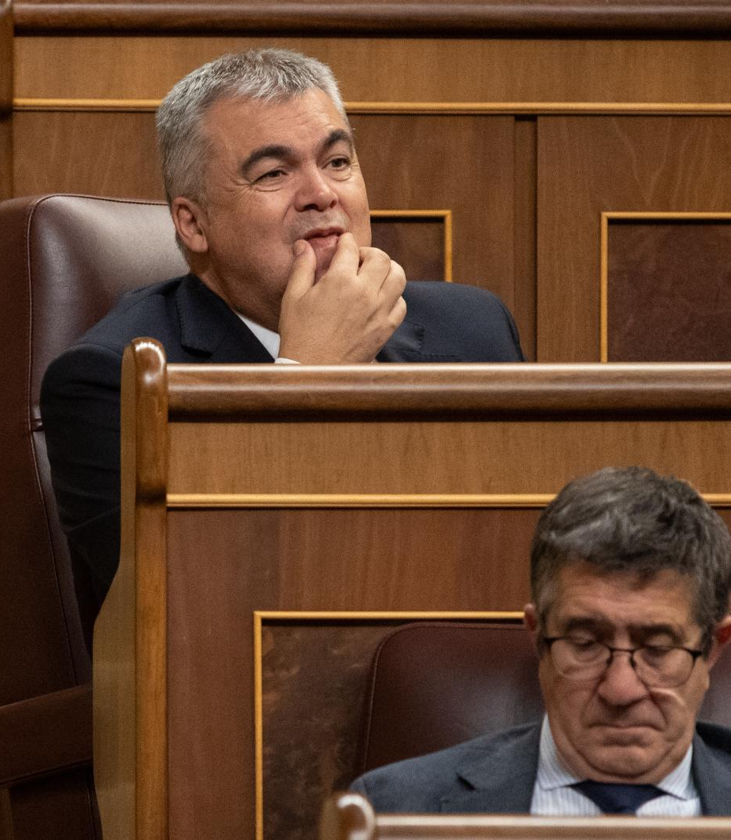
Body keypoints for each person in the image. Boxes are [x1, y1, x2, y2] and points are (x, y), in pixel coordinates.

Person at [41, 48, 525, 610]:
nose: (322, 193)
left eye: (338, 161)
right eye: (274, 172)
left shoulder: (473, 330)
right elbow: (197, 605)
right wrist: (310, 377)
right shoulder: (111, 382)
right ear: (193, 224)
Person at [351, 466, 731, 816]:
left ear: (713, 646)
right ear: (538, 636)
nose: (620, 689)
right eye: (585, 644)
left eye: (657, 650)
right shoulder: (392, 813)